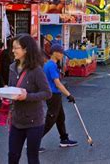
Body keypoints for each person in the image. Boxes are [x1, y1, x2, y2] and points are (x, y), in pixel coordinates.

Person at [8, 33, 52, 164]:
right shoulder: (12, 67)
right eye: (13, 47)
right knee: (13, 155)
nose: (13, 50)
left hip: (34, 121)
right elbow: (12, 87)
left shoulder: (36, 70)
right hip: (16, 120)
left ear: (26, 49)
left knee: (32, 157)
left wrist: (27, 96)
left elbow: (47, 93)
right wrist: (7, 93)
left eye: (16, 48)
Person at [42, 44, 78, 150]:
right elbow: (57, 83)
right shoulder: (51, 65)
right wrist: (69, 95)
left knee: (60, 117)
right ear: (55, 53)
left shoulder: (50, 64)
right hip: (53, 95)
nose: (62, 54)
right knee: (51, 119)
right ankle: (34, 141)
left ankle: (64, 139)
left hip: (54, 94)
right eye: (61, 52)